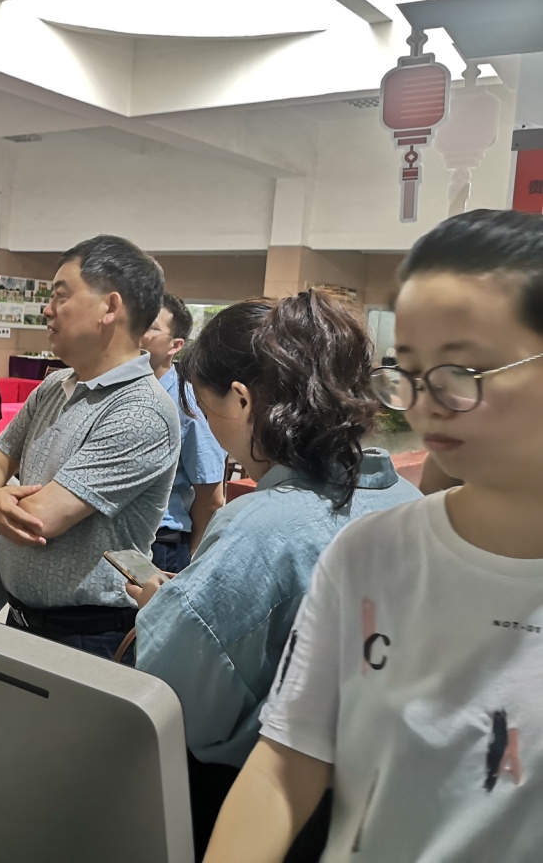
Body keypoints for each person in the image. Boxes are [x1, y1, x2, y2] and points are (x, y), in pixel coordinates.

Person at [207, 210, 543, 863]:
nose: (425, 404)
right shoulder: (370, 553)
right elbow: (287, 760)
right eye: (408, 373)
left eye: (463, 370)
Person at [129, 291, 420, 859]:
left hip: (266, 806)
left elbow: (180, 701)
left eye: (207, 410)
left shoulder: (261, 527)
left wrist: (161, 612)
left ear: (242, 400)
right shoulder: (409, 502)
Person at [0, 236, 178, 658]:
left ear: (110, 307)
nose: (47, 309)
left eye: (61, 296)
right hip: (24, 619)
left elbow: (38, 519)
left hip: (87, 636)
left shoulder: (141, 411)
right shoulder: (53, 387)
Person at [140, 292, 227, 572]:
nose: (136, 332)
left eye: (151, 327)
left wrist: (188, 558)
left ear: (175, 345)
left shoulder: (186, 403)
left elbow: (211, 497)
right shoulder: (120, 393)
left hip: (161, 543)